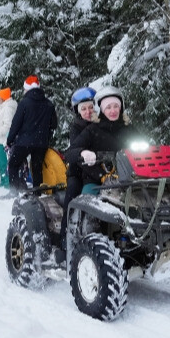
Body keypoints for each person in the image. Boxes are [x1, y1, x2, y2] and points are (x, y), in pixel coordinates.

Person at [66, 85, 139, 195]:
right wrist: (83, 153)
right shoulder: (92, 129)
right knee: (85, 200)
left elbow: (145, 147)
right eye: (108, 107)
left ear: (121, 107)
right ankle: (70, 212)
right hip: (95, 180)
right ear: (101, 110)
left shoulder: (128, 128)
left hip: (129, 178)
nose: (113, 111)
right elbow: (70, 153)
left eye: (116, 106)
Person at [4, 74, 58, 197]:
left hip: (24, 142)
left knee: (13, 164)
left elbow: (16, 124)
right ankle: (37, 193)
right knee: (37, 168)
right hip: (41, 142)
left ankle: (14, 191)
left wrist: (9, 140)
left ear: (27, 89)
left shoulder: (24, 103)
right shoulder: (49, 104)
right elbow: (54, 124)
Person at [59, 86, 96, 251]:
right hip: (78, 171)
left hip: (97, 172)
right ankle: (64, 237)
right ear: (78, 111)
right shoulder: (76, 128)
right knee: (72, 194)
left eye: (90, 107)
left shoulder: (102, 124)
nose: (88, 112)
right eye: (84, 109)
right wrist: (83, 154)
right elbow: (72, 151)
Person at [0, 87, 18, 188]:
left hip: (3, 141)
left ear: (3, 98)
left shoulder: (7, 108)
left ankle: (7, 182)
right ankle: (3, 180)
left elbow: (8, 125)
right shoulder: (3, 108)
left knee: (4, 163)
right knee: (1, 163)